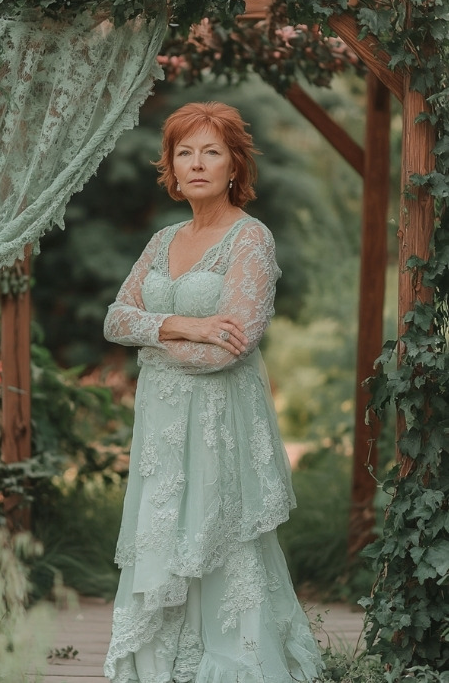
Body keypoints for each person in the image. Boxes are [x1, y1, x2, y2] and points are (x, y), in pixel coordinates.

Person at [103, 101, 322, 683]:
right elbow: (114, 319)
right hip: (160, 424)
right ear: (170, 168)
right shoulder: (162, 239)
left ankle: (232, 659)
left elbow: (232, 345)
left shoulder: (252, 240)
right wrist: (183, 323)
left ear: (234, 166)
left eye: (211, 151)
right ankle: (161, 660)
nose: (197, 163)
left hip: (220, 418)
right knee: (163, 526)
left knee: (218, 530)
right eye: (184, 152)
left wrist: (154, 339)